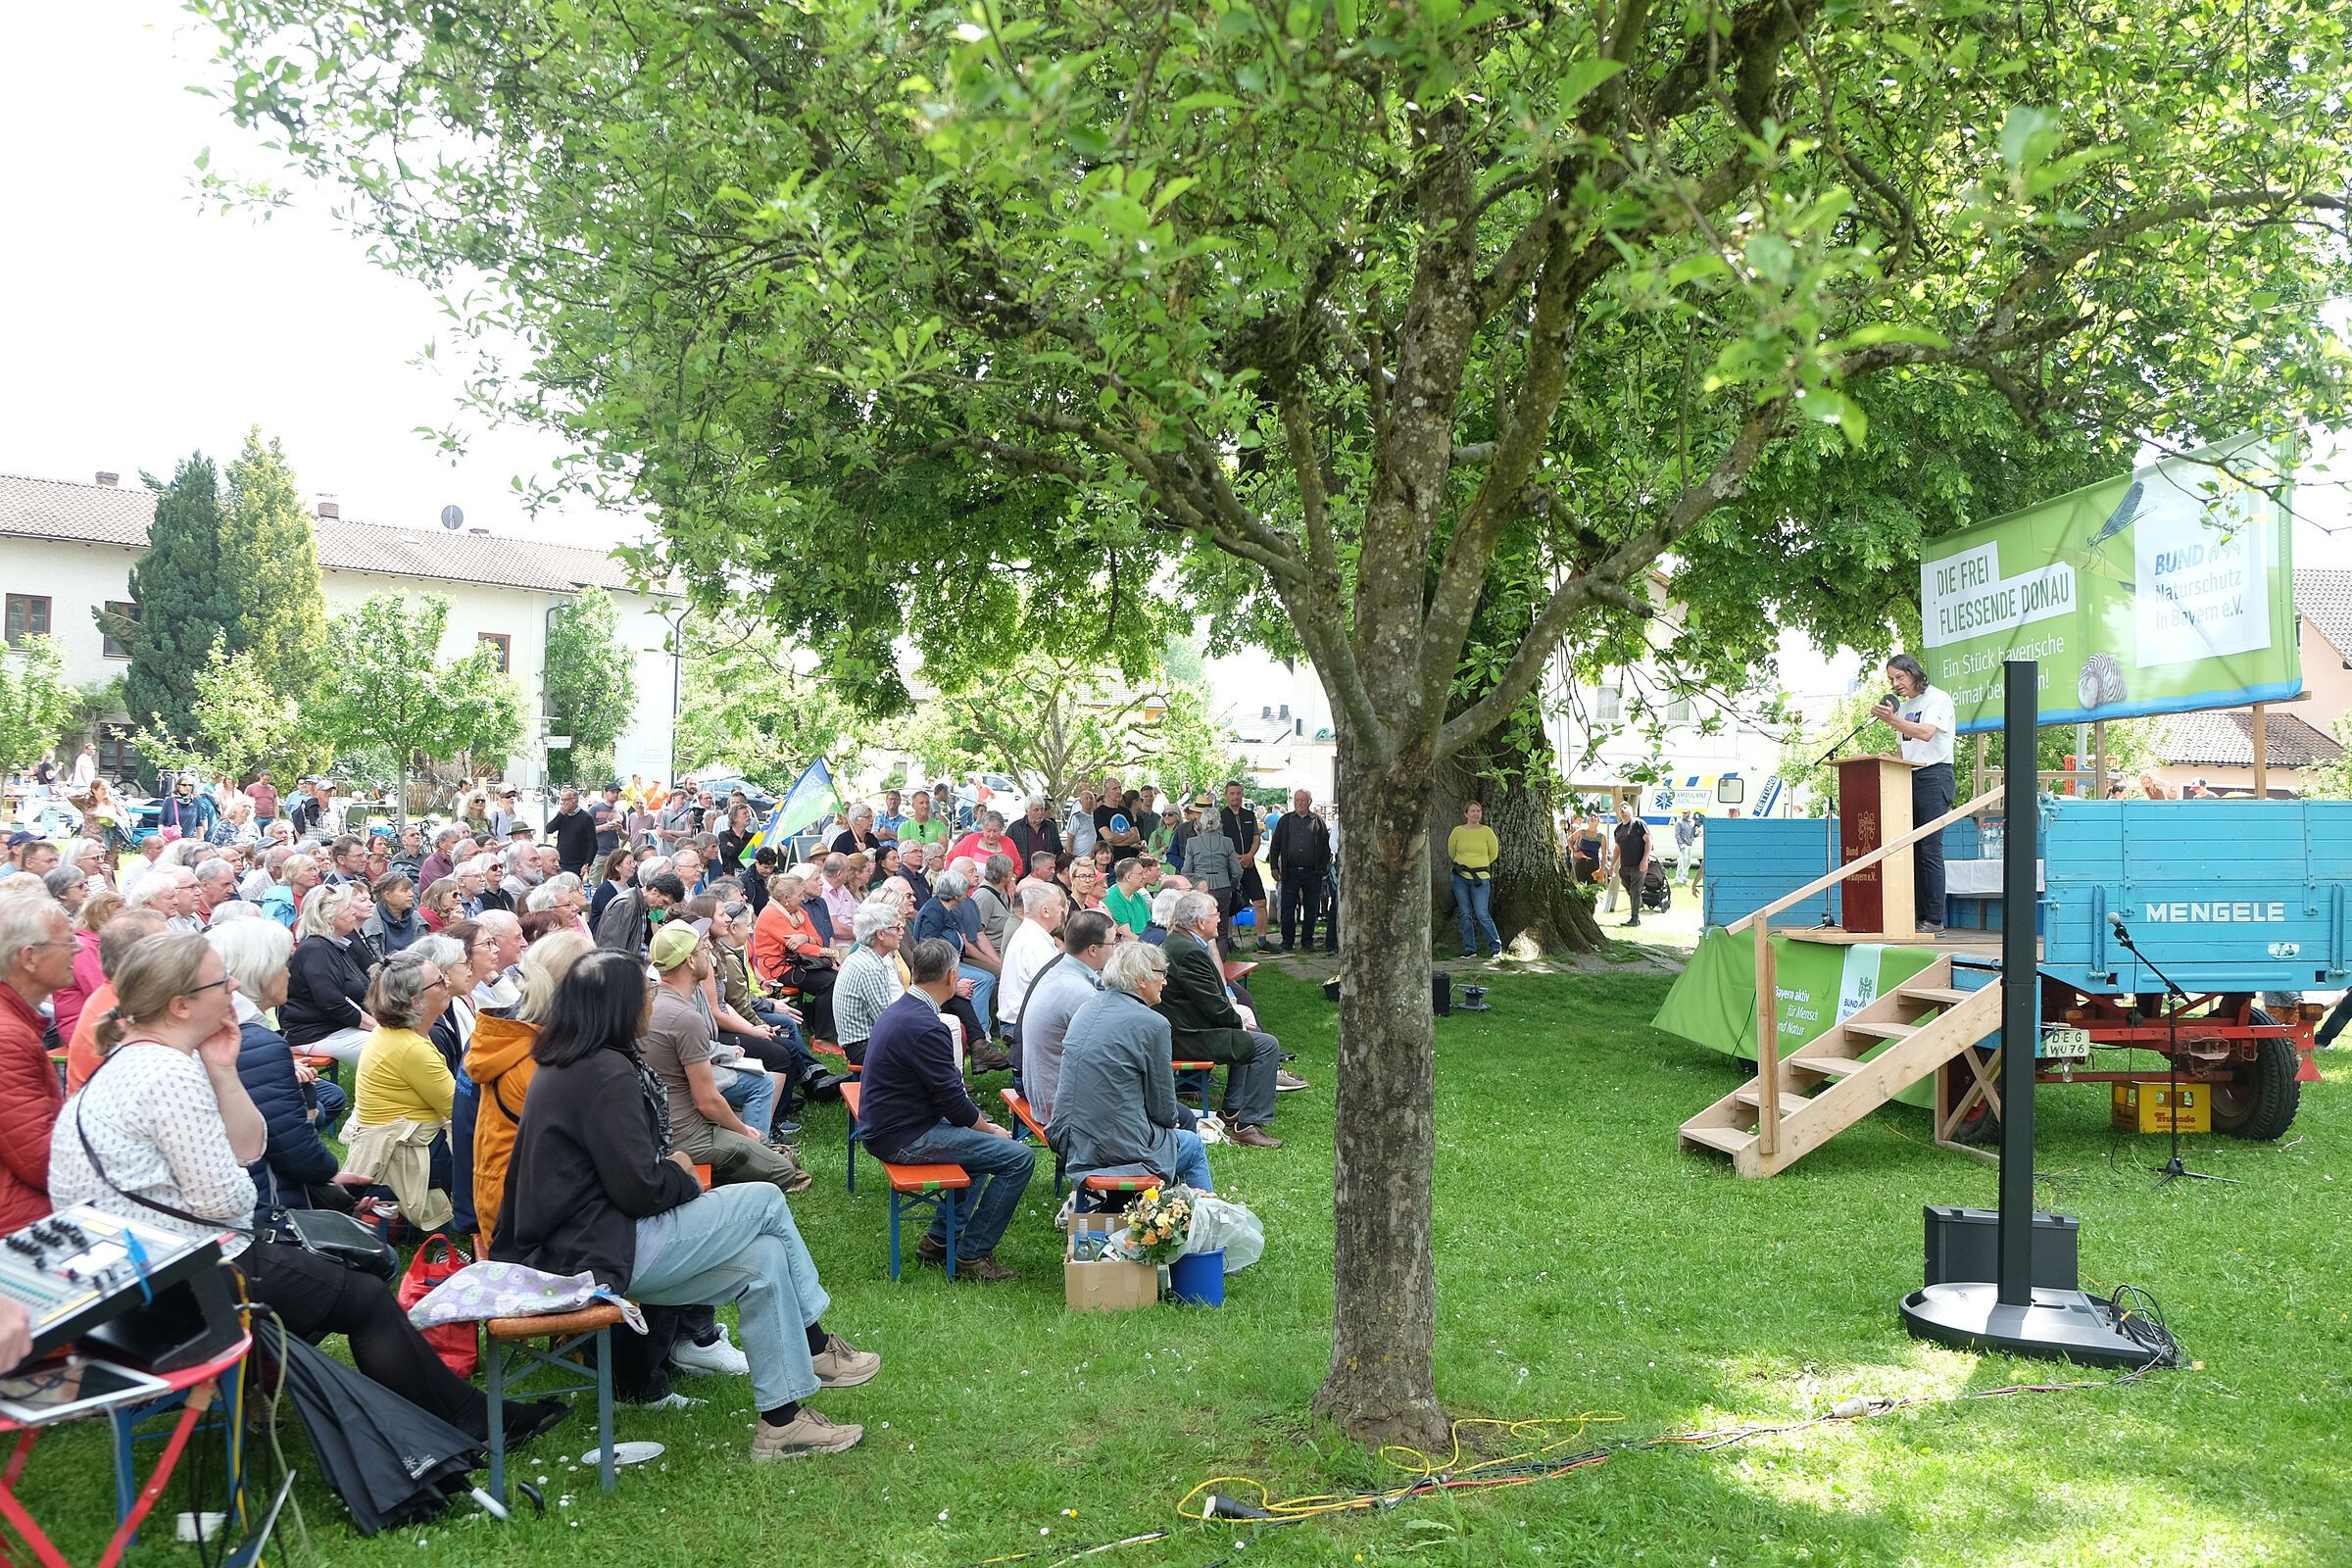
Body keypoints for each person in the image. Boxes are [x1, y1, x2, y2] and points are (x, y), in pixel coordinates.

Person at [51, 933, 563, 1447]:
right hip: (173, 1285)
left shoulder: (142, 1058)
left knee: (358, 1281)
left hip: (141, 1277)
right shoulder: (167, 1074)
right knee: (366, 1297)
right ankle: (469, 1421)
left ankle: (458, 1415)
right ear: (181, 1005)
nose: (234, 986)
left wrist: (224, 1071)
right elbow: (231, 1203)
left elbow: (250, 1150)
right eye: (220, 982)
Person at [494, 951, 876, 1457]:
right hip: (595, 1252)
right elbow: (640, 1189)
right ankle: (816, 1344)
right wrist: (681, 1172)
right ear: (619, 1005)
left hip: (589, 1242)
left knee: (765, 1261)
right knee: (766, 1199)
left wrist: (673, 1169)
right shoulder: (603, 1072)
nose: (650, 1003)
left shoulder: (571, 1061)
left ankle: (782, 1424)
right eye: (644, 993)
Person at [856, 939, 1033, 1281]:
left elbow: (949, 1100)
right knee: (1018, 1158)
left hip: (892, 1126)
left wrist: (978, 1130)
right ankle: (973, 1254)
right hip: (901, 1136)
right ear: (952, 976)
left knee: (981, 1152)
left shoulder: (904, 1009)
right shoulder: (925, 1025)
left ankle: (940, 1239)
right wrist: (989, 1129)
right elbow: (954, 1103)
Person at [643, 923, 807, 1192]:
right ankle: (714, 1182)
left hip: (658, 1127)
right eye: (703, 948)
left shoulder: (652, 1001)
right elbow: (706, 1101)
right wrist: (743, 1131)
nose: (708, 952)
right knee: (785, 1172)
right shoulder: (685, 1018)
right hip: (686, 1135)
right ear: (690, 961)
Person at [215, 918, 362, 1215]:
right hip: (264, 1202)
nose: (290, 973)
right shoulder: (256, 1041)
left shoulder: (230, 1030)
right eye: (284, 964)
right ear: (262, 971)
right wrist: (329, 1173)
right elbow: (294, 1148)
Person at [1049, 941, 1215, 1195]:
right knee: (1192, 1146)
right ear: (1141, 979)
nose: (1165, 981)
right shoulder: (1153, 1023)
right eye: (1162, 973)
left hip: (1069, 1136)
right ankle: (1196, 1215)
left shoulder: (1087, 1008)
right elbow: (1164, 1111)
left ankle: (1147, 1205)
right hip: (1110, 1146)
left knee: (1176, 1125)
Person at [1156, 891, 1288, 1147]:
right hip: (1188, 1038)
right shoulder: (1189, 952)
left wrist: (1239, 1026)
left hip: (1186, 1031)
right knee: (1266, 1044)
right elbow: (1216, 1007)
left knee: (1246, 1038)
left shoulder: (1180, 943)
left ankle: (1231, 1110)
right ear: (1200, 922)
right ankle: (1248, 1125)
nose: (1220, 919)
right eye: (1216, 914)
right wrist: (1240, 1024)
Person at [346, 953, 458, 1230]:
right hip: (402, 1152)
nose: (447, 983)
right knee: (487, 1141)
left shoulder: (394, 1033)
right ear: (415, 1001)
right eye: (439, 981)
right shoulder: (412, 1048)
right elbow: (461, 1110)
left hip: (392, 1143)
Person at [0, 896, 74, 1232]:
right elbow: (44, 1162)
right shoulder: (7, 1038)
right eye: (68, 942)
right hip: (21, 1222)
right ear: (29, 957)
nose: (78, 949)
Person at [1873, 653, 1957, 933]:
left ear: (1914, 673)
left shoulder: (1937, 699)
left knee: (1930, 849)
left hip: (1935, 776)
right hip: (1910, 778)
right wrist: (1889, 759)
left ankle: (1934, 919)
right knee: (1912, 849)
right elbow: (1906, 749)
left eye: (1899, 677)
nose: (1895, 684)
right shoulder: (1906, 707)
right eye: (1891, 679)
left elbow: (1926, 733)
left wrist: (1891, 720)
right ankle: (1916, 916)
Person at [1019, 909, 1113, 1122]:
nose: (1115, 948)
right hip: (1065, 1110)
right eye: (1112, 942)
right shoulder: (1079, 992)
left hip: (1044, 1096)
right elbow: (1105, 1057)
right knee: (1179, 1121)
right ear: (1092, 949)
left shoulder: (1059, 970)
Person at [281, 883, 375, 1063]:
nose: (353, 912)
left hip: (338, 1028)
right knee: (391, 1048)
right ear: (328, 916)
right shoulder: (316, 949)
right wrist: (377, 1027)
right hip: (315, 1033)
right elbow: (334, 1003)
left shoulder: (334, 945)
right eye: (348, 908)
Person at [751, 872, 838, 1039]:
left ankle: (812, 1017)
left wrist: (805, 937)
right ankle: (822, 1037)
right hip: (778, 970)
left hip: (799, 964)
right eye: (800, 895)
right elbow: (800, 948)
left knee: (836, 979)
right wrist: (828, 952)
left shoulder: (799, 912)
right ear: (786, 898)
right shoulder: (771, 914)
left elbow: (818, 939)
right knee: (830, 982)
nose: (803, 898)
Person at [831, 899, 906, 1066]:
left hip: (865, 1042)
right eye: (897, 927)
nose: (902, 931)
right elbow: (886, 1020)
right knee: (927, 1046)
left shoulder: (865, 957)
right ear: (881, 934)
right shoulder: (870, 967)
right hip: (864, 1046)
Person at [1266, 788, 1334, 954]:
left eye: (1303, 800)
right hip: (1290, 871)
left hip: (1312, 873)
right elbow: (1275, 845)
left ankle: (1307, 941)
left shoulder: (1318, 821)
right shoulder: (1286, 820)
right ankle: (1287, 941)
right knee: (1288, 907)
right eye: (1297, 800)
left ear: (1309, 802)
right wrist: (1274, 867)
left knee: (1311, 908)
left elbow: (1326, 847)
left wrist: (1321, 868)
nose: (1299, 803)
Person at [998, 883, 1067, 1041]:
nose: (1062, 910)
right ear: (1045, 911)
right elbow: (1052, 992)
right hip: (1023, 1027)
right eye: (1059, 905)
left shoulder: (1032, 934)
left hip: (1025, 1022)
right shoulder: (1034, 943)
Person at [1179, 797, 1242, 938]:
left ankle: (1202, 952)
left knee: (1198, 928)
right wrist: (1231, 886)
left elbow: (1186, 871)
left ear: (1202, 821)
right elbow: (1237, 871)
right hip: (1223, 888)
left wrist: (1191, 888)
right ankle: (1221, 952)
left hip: (1200, 889)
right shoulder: (1227, 842)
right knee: (1222, 930)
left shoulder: (1192, 842)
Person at [1447, 802, 1502, 956]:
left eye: (1478, 811)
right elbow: (1452, 852)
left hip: (1481, 878)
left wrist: (1478, 866)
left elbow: (1493, 854)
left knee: (1481, 913)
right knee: (1465, 913)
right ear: (1466, 814)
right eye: (1472, 811)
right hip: (1460, 878)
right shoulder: (1457, 832)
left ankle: (1495, 947)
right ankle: (1470, 949)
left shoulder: (1487, 832)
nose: (1475, 814)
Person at [1219, 782, 1268, 947]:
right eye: (1232, 793)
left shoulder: (1249, 815)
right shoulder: (1220, 817)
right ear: (1226, 795)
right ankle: (1228, 941)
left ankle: (1262, 940)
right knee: (1228, 906)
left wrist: (1250, 855)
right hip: (1229, 868)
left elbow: (1256, 837)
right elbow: (1220, 841)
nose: (1236, 796)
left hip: (1249, 865)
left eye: (1238, 793)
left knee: (1260, 902)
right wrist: (1235, 858)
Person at [362, 871, 425, 956]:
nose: (411, 894)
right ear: (387, 895)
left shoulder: (416, 918)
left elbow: (424, 952)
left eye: (411, 889)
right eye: (404, 891)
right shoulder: (370, 921)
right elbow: (375, 959)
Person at [1609, 799, 1650, 929]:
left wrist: (1645, 859)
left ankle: (1635, 918)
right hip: (1624, 867)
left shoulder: (1638, 824)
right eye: (1620, 808)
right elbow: (1617, 848)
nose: (1622, 810)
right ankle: (1636, 911)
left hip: (1638, 865)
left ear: (1631, 811)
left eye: (1625, 807)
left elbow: (1648, 841)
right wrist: (1612, 865)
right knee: (1631, 891)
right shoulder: (1618, 829)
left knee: (1635, 890)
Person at [547, 786, 598, 876]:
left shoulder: (586, 818)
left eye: (566, 800)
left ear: (575, 800)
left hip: (577, 863)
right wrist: (561, 814)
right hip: (561, 861)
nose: (563, 803)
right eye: (562, 800)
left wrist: (587, 864)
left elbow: (593, 843)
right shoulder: (562, 816)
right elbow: (549, 829)